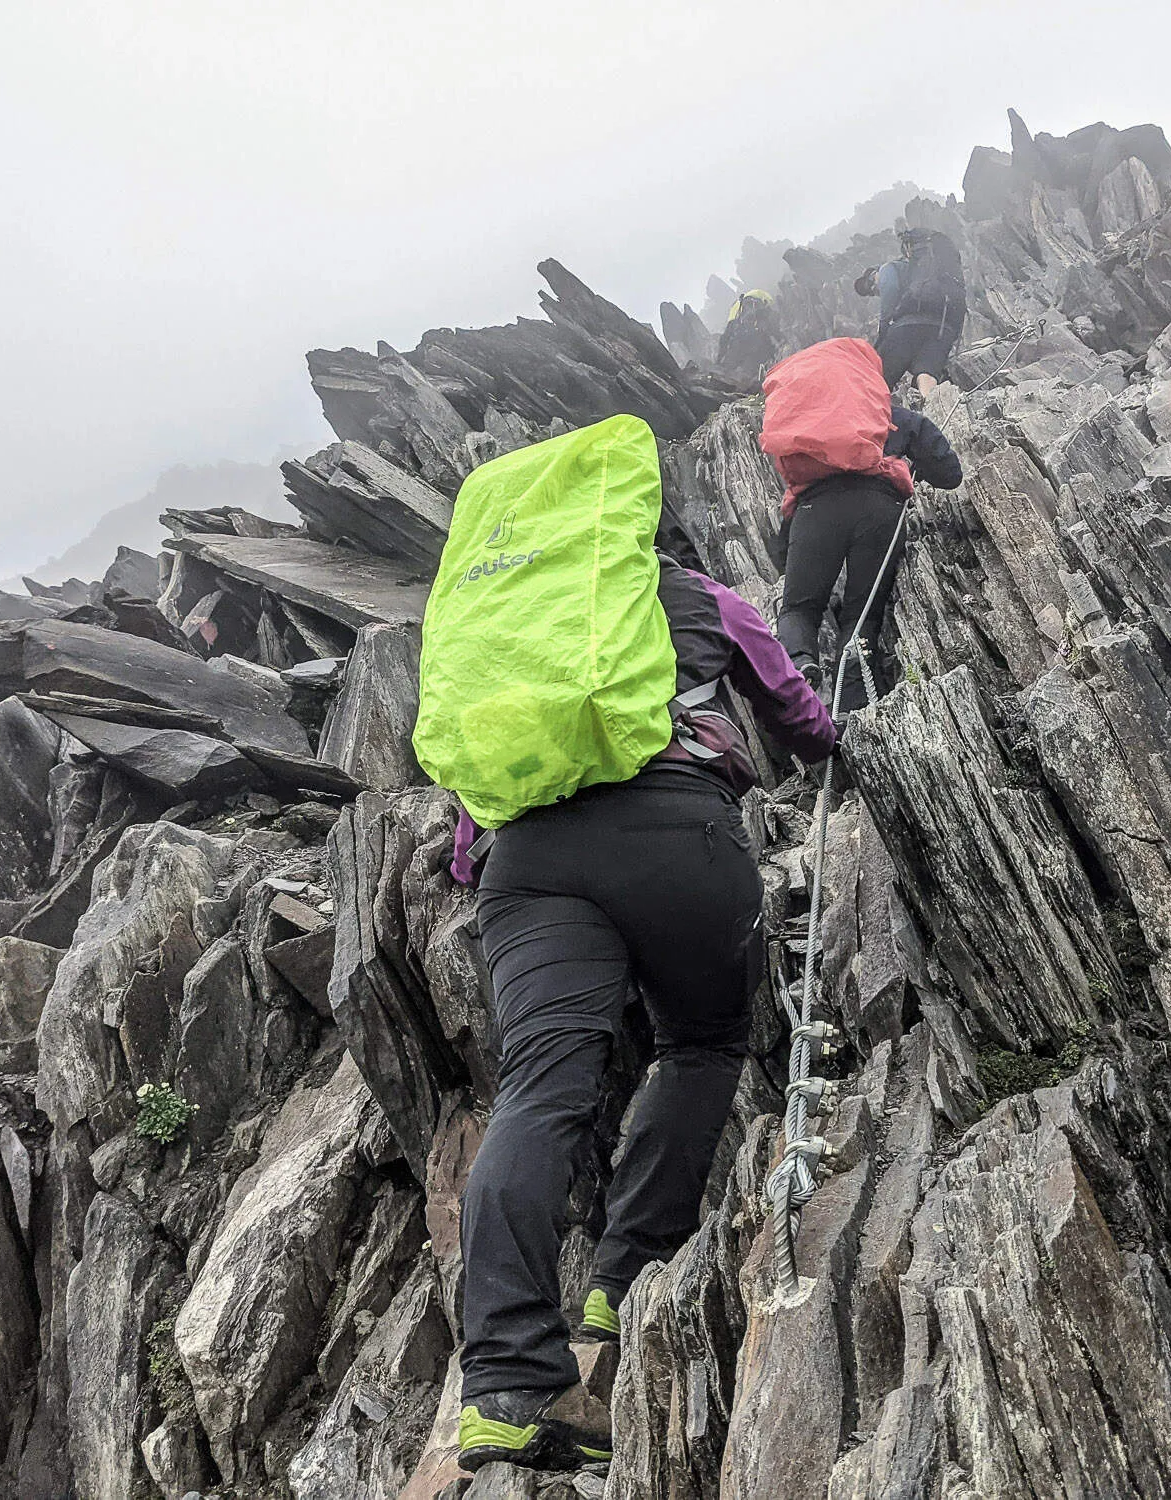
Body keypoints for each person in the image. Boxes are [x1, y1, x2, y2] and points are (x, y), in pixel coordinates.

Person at [432, 426, 836, 1473]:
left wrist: (499, 869)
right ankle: (618, 1285)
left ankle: (502, 1389)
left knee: (536, 1093)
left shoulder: (509, 621)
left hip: (528, 867)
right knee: (700, 1041)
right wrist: (824, 744)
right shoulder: (696, 597)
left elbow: (474, 805)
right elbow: (789, 703)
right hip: (673, 831)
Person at [761, 338, 962, 708]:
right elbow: (950, 473)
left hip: (813, 510)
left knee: (798, 610)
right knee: (861, 615)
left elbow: (785, 544)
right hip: (879, 507)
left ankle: (801, 662)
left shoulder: (804, 437)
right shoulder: (882, 416)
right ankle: (852, 704)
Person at [861, 225, 967, 397]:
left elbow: (890, 287)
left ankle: (865, 417)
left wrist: (883, 328)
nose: (875, 290)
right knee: (927, 371)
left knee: (877, 379)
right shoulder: (940, 272)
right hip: (943, 326)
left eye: (873, 287)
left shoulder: (889, 268)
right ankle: (934, 409)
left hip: (908, 326)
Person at [715, 287, 780, 382]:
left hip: (736, 356)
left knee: (731, 369)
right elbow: (774, 337)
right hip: (754, 359)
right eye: (749, 304)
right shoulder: (764, 321)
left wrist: (719, 360)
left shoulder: (735, 322)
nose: (751, 308)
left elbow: (724, 340)